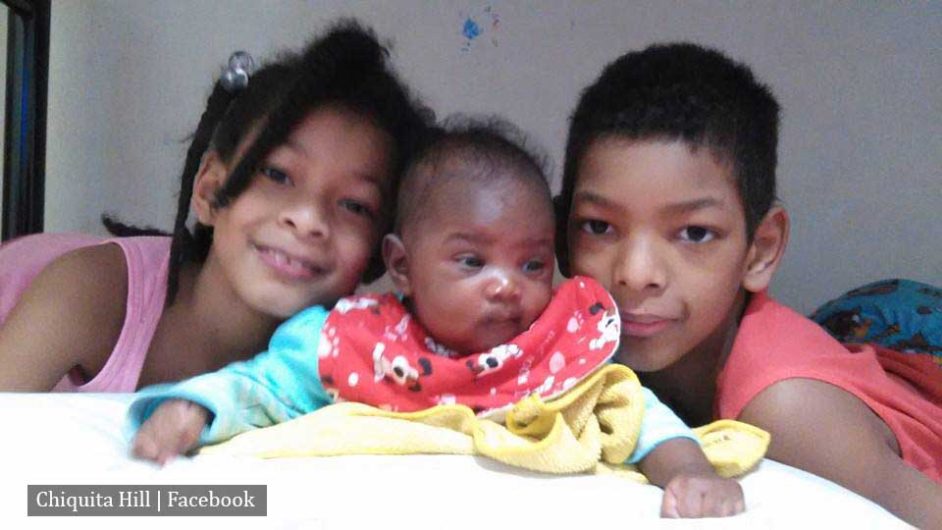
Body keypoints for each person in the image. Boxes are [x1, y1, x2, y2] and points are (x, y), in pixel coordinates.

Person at [130, 120, 745, 518]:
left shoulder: (555, 347)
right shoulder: (354, 342)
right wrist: (194, 410)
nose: (507, 285)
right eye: (472, 261)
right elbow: (263, 387)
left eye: (532, 264)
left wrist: (689, 470)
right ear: (402, 266)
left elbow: (634, 413)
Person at [554, 42, 942, 528]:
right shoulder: (581, 341)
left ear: (760, 250)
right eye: (598, 226)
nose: (635, 272)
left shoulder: (791, 412)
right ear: (560, 233)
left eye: (695, 233)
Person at [0, 21, 430, 392]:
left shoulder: (359, 362)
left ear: (379, 250)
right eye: (277, 174)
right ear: (208, 191)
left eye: (354, 205)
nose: (307, 219)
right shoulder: (88, 293)